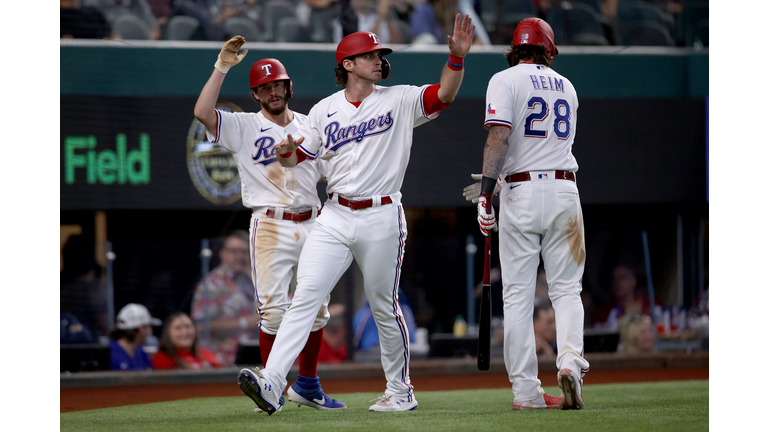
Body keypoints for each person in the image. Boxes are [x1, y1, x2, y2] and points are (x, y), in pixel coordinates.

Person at [237, 15, 475, 414]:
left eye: (380, 55)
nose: (378, 60)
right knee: (305, 298)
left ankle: (400, 390)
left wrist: (456, 59)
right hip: (335, 214)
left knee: (383, 304)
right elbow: (301, 154)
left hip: (382, 213)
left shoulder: (398, 98)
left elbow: (443, 96)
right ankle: (273, 382)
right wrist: (287, 154)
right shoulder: (323, 110)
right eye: (370, 55)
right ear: (348, 64)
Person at [193, 38, 345, 411]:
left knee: (318, 309)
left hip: (313, 222)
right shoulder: (244, 125)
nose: (273, 92)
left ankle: (308, 385)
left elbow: (331, 170)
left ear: (288, 87)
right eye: (265, 87)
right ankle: (270, 384)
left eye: (278, 85)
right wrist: (222, 66)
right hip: (272, 224)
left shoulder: (312, 124)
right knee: (274, 311)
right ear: (256, 94)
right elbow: (202, 112)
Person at [470, 17, 588, 410]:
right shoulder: (568, 86)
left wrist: (486, 194)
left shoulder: (504, 80)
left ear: (514, 48)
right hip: (564, 190)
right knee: (567, 290)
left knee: (518, 298)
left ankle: (526, 393)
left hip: (520, 191)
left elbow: (498, 139)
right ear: (549, 49)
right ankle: (570, 362)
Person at [191, 230, 260, 366]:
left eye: (244, 252)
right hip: (221, 361)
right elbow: (200, 327)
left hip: (254, 359)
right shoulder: (211, 284)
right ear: (223, 253)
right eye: (234, 251)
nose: (240, 256)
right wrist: (245, 323)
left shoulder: (253, 280)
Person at [153, 312, 222, 369]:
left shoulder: (206, 353)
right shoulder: (163, 358)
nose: (185, 332)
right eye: (178, 328)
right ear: (168, 333)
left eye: (188, 327)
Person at [353, 290, 417, 351]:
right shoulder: (365, 314)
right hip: (370, 357)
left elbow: (412, 338)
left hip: (400, 356)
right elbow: (354, 343)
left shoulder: (405, 312)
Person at [593, 264, 653, 328]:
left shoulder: (648, 304)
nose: (617, 282)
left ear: (633, 281)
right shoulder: (605, 310)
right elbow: (597, 328)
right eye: (613, 279)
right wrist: (627, 316)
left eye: (622, 278)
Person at [109, 303, 162, 371]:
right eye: (149, 327)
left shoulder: (141, 353)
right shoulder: (108, 354)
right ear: (141, 329)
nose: (151, 332)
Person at [332, 0, 402, 44]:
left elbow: (397, 43)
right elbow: (364, 45)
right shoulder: (344, 21)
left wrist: (387, 16)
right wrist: (380, 17)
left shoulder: (376, 17)